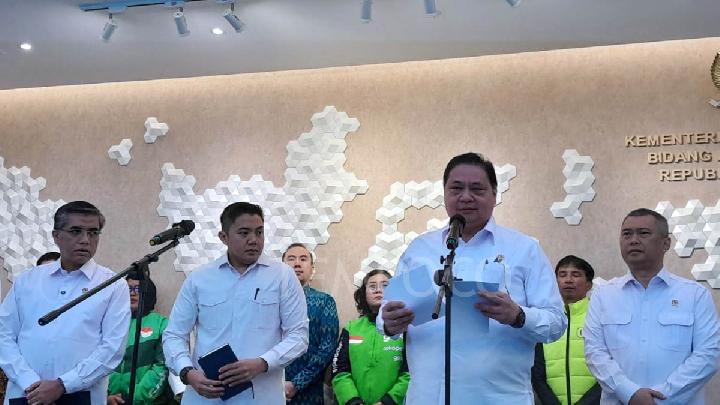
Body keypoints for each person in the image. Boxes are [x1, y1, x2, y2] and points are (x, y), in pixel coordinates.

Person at [380, 152, 567, 404]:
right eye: (456, 188)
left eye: (477, 189)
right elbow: (386, 315)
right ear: (445, 193)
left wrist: (518, 315)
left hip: (499, 398)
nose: (466, 197)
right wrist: (390, 323)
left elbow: (556, 323)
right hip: (428, 397)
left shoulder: (524, 249)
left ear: (494, 195)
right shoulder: (419, 250)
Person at [163, 202, 309, 404]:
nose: (254, 240)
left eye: (259, 232)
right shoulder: (199, 279)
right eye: (244, 233)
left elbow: (299, 336)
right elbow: (174, 334)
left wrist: (262, 363)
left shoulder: (283, 277)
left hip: (262, 397)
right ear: (224, 237)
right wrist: (187, 372)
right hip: (205, 397)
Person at [584, 208, 720, 405]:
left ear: (666, 243)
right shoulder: (603, 295)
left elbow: (708, 355)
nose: (633, 240)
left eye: (643, 233)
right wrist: (629, 393)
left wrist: (660, 398)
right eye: (627, 234)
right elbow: (594, 352)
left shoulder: (695, 295)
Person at [0, 201, 131, 405]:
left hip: (81, 396)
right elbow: (4, 335)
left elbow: (112, 349)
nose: (85, 240)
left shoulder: (113, 285)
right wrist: (30, 382)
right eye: (76, 231)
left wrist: (63, 385)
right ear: (56, 236)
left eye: (93, 233)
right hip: (26, 394)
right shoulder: (27, 280)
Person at [332, 269, 409, 405]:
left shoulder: (405, 329)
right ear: (364, 293)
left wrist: (387, 402)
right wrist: (353, 401)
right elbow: (339, 369)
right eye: (372, 286)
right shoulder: (351, 328)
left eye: (385, 286)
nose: (378, 290)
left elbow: (411, 371)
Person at [532, 255, 600, 405]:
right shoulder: (545, 318)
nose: (568, 280)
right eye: (562, 275)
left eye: (576, 274)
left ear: (589, 284)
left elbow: (612, 365)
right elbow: (537, 373)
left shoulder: (599, 317)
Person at [282, 243, 339, 404]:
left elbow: (327, 348)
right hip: (269, 387)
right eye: (291, 259)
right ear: (281, 268)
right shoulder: (270, 301)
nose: (297, 263)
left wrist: (296, 384)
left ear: (312, 268)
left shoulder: (324, 302)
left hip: (309, 391)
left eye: (303, 259)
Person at [107, 274, 175, 405]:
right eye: (128, 289)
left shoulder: (161, 324)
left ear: (147, 293)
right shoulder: (110, 323)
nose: (132, 293)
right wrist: (105, 397)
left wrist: (133, 398)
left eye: (138, 289)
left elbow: (162, 367)